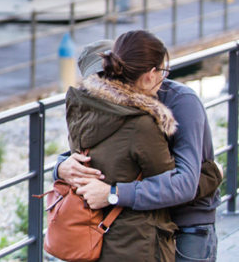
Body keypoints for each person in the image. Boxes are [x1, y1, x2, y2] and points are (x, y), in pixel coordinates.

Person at [57, 36, 221, 262]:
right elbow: (101, 158)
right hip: (137, 227)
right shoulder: (105, 110)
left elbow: (184, 184)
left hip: (186, 222)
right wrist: (62, 166)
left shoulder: (179, 102)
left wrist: (112, 193)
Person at [64, 30, 178, 260]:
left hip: (91, 236)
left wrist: (59, 166)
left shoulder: (81, 109)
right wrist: (212, 174)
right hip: (137, 244)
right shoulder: (140, 124)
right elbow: (172, 187)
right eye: (162, 71)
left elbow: (85, 158)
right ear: (149, 74)